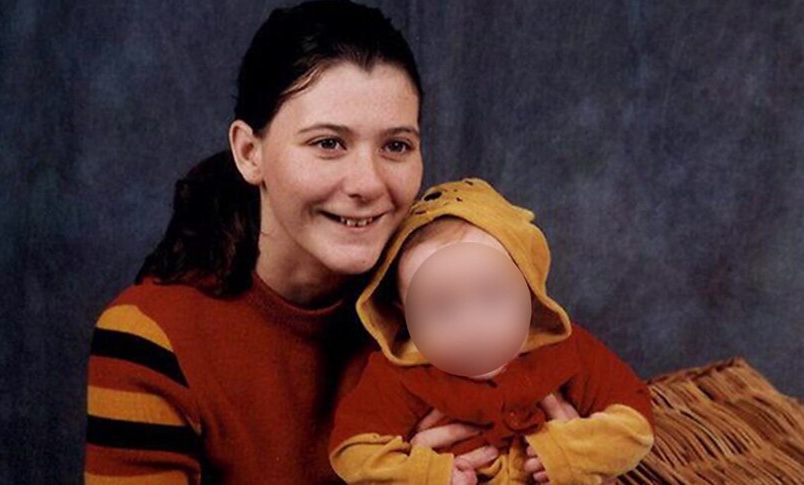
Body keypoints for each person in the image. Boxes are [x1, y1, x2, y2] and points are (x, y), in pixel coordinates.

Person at [83, 1, 594, 483]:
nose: (368, 183)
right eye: (328, 143)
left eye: (396, 146)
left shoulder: (443, 300)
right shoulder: (152, 337)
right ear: (248, 152)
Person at [328, 177, 655, 484]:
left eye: (492, 296)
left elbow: (634, 421)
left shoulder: (563, 345)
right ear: (405, 315)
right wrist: (427, 473)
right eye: (441, 308)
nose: (472, 328)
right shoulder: (400, 373)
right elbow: (352, 451)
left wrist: (575, 453)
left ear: (527, 289)